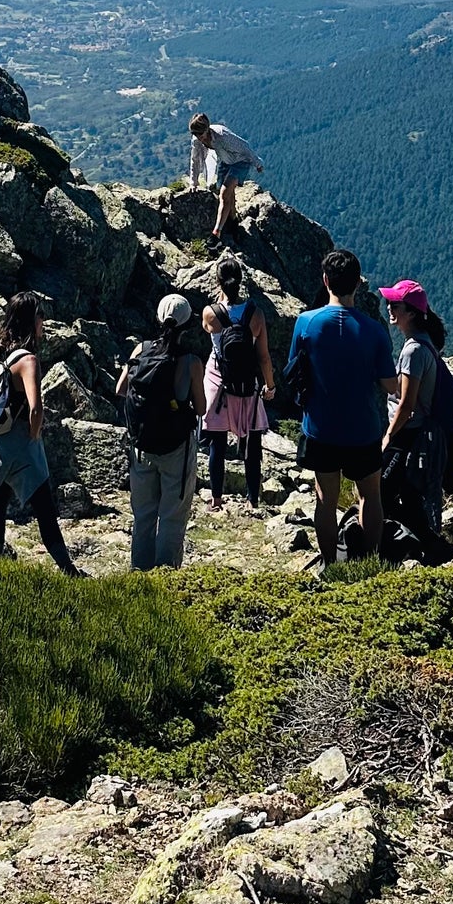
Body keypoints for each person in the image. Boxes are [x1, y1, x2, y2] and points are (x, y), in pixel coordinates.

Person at [285, 248, 396, 565]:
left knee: (326, 498)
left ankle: (330, 563)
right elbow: (389, 384)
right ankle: (370, 560)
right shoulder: (374, 331)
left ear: (325, 280)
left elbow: (295, 368)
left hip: (321, 427)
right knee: (370, 496)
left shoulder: (306, 323)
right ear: (358, 284)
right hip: (364, 429)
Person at [0, 291, 82, 575]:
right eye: (40, 315)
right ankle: (67, 569)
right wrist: (35, 435)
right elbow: (36, 407)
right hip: (19, 442)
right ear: (30, 320)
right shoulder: (28, 361)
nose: (43, 321)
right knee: (44, 508)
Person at [116, 292, 207, 571]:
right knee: (171, 515)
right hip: (176, 448)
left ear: (158, 318)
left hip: (142, 445)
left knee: (143, 513)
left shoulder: (139, 351)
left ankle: (138, 573)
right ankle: (165, 575)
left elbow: (120, 389)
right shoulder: (191, 362)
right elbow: (201, 408)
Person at [379, 279, 448, 559]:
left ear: (411, 313)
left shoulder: (412, 351)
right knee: (407, 495)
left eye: (395, 304)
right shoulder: (425, 344)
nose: (389, 308)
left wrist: (388, 437)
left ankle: (397, 550)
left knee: (381, 492)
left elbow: (406, 406)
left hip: (407, 434)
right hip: (418, 434)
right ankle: (420, 549)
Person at [201, 258, 275, 512]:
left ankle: (216, 500)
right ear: (241, 281)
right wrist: (270, 386)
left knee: (217, 444)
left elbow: (209, 336)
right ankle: (252, 499)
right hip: (246, 385)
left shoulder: (210, 313)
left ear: (218, 282)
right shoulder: (255, 314)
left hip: (218, 382)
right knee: (253, 445)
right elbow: (263, 356)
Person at [188, 114, 263, 243]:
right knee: (229, 196)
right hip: (225, 161)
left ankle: (216, 233)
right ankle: (234, 224)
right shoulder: (197, 140)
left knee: (224, 193)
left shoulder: (222, 135)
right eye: (195, 134)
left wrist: (257, 163)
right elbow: (195, 160)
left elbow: (244, 146)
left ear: (207, 128)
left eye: (200, 133)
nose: (198, 137)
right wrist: (193, 182)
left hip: (240, 162)